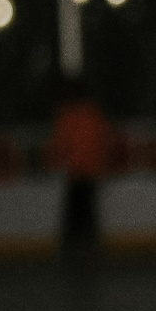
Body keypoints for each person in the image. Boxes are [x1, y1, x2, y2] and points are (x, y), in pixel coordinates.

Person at [47, 78, 113, 258]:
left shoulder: (66, 116)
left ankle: (73, 247)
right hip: (92, 170)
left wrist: (57, 160)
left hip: (76, 170)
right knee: (88, 210)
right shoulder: (94, 114)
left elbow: (60, 146)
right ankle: (89, 246)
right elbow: (104, 140)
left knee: (74, 211)